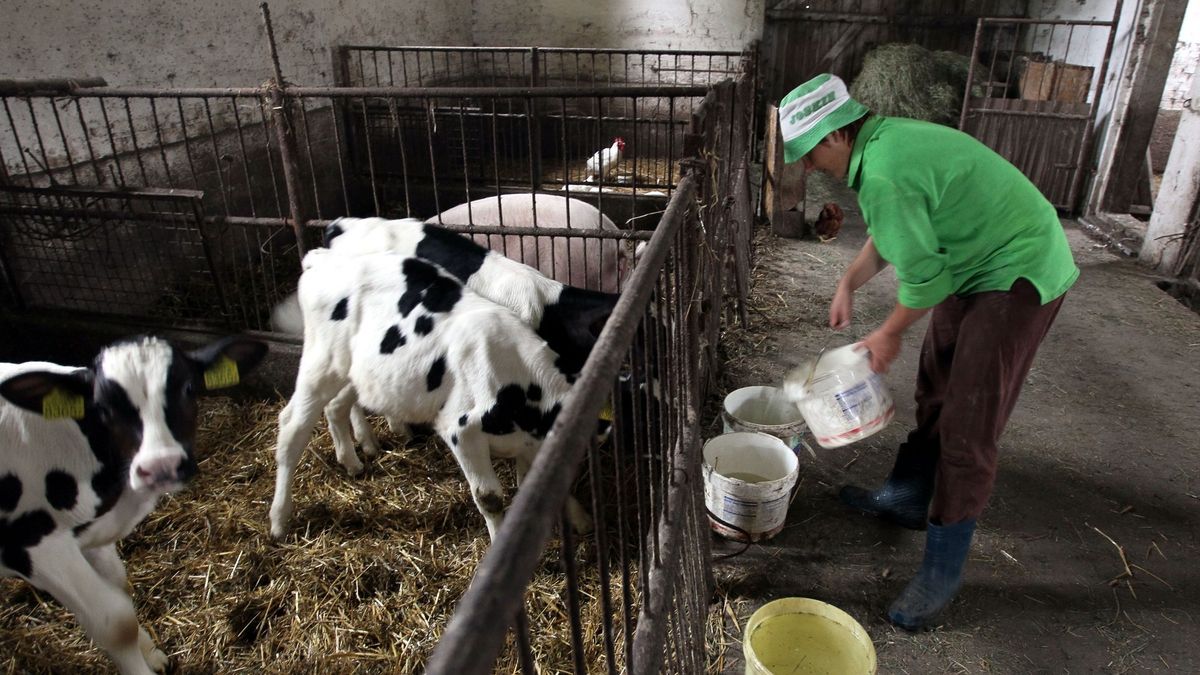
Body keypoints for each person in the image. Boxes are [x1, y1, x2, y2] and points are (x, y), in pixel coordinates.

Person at [778, 73, 1078, 629]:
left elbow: (922, 281)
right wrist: (848, 280)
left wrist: (888, 331)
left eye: (812, 152)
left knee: (970, 420)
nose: (811, 166)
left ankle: (942, 569)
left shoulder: (886, 168)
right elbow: (895, 234)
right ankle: (910, 498)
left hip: (1019, 267)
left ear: (839, 134)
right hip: (972, 258)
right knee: (936, 382)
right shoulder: (882, 147)